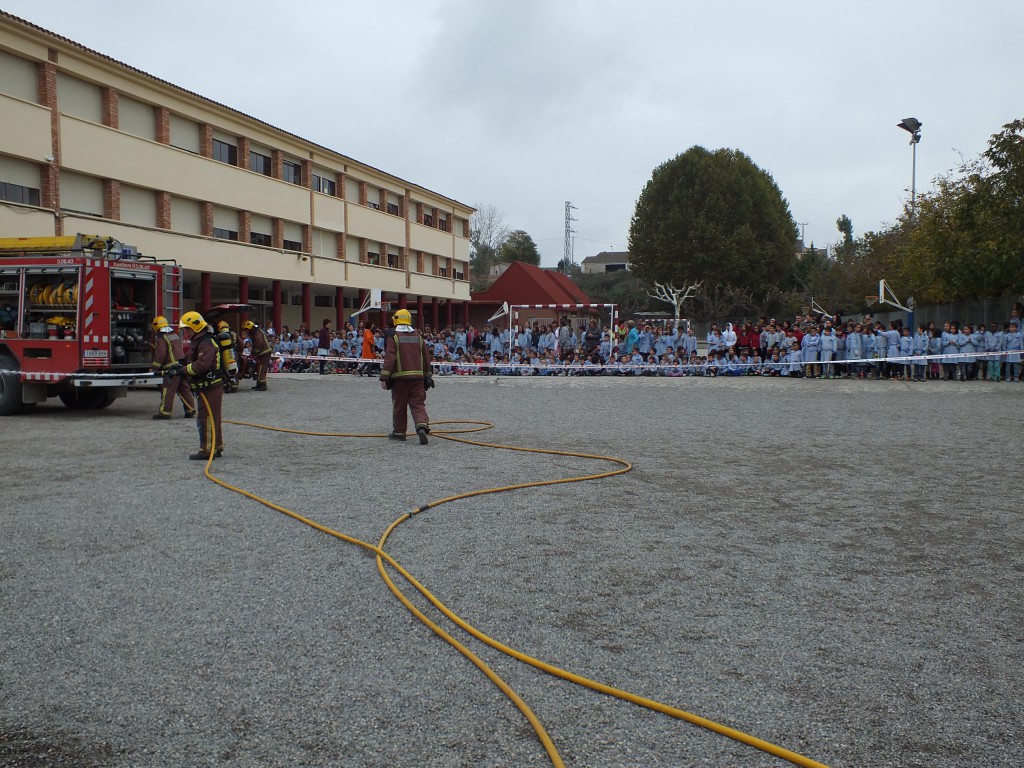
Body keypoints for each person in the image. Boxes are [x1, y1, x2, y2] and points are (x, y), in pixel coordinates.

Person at [173, 311, 225, 460]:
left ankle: (207, 450)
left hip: (210, 385)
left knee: (205, 417)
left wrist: (183, 370)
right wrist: (179, 365)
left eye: (187, 329)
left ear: (195, 327)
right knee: (212, 416)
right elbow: (192, 358)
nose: (186, 332)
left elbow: (202, 364)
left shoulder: (206, 342)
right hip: (207, 385)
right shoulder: (199, 340)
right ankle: (217, 446)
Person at [380, 308, 433, 444]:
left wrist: (384, 377)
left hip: (399, 379)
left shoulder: (395, 337)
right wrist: (428, 375)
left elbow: (389, 358)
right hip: (417, 378)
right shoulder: (418, 337)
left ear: (396, 320)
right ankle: (421, 426)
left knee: (399, 406)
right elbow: (426, 357)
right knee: (418, 404)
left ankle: (399, 433)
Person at [150, 315, 196, 419]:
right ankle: (190, 410)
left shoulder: (161, 337)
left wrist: (154, 367)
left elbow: (161, 353)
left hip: (171, 369)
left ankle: (164, 413)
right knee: (184, 389)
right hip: (181, 366)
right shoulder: (173, 334)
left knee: (168, 390)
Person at [242, 320, 272, 390]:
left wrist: (254, 352)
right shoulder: (256, 331)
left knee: (262, 369)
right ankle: (259, 384)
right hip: (262, 353)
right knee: (259, 368)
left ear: (250, 328)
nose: (246, 331)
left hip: (265, 353)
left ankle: (263, 385)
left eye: (246, 329)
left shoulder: (257, 332)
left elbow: (259, 343)